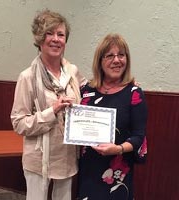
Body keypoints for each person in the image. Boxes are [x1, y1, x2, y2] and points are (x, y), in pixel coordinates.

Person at [11, 9, 87, 200]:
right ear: (39, 39)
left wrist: (124, 85)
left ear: (65, 40)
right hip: (39, 159)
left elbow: (91, 93)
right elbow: (19, 123)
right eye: (49, 33)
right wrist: (52, 111)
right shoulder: (27, 77)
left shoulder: (72, 71)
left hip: (67, 155)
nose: (55, 39)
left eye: (60, 34)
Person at [77, 33, 147, 200]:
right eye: (110, 56)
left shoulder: (134, 93)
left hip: (117, 173)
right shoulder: (86, 91)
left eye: (121, 55)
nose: (117, 60)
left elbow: (139, 136)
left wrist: (118, 149)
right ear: (100, 61)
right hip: (88, 170)